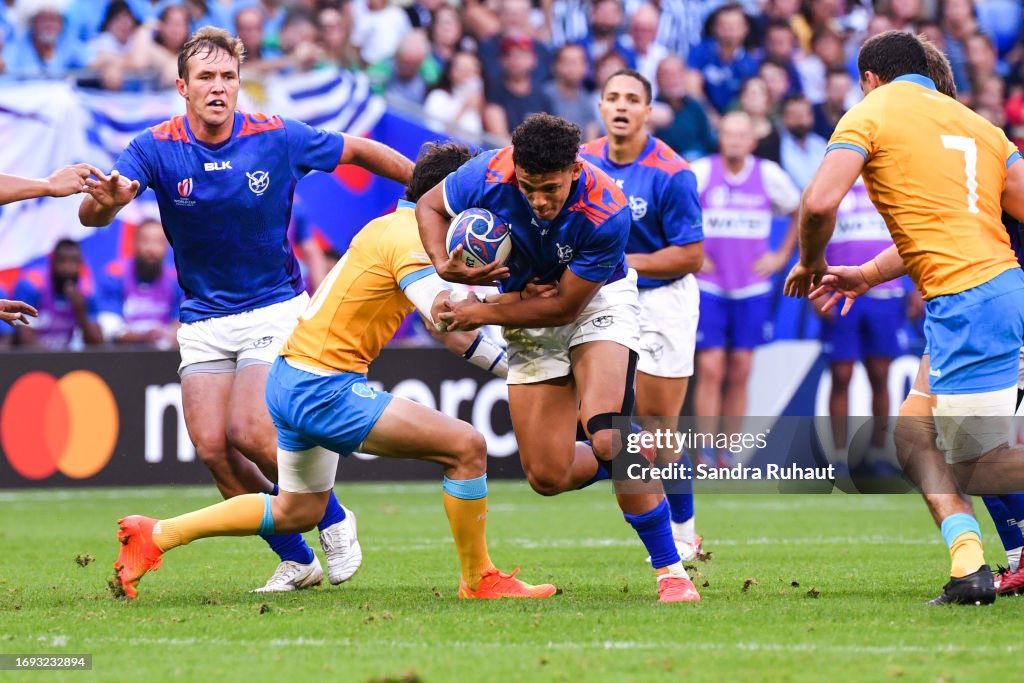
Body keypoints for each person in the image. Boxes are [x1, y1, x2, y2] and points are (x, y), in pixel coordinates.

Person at [112, 141, 553, 601]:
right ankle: (480, 579)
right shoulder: (411, 238)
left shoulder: (390, 226)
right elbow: (446, 321)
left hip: (292, 377)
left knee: (296, 511)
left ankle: (157, 534)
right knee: (468, 446)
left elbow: (443, 318)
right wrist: (520, 365)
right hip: (322, 386)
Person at [81, 26, 414, 592]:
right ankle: (298, 559)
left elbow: (357, 150)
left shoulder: (277, 136)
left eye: (229, 77)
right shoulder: (154, 146)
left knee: (253, 432)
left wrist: (428, 190)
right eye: (206, 78)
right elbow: (96, 211)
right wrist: (104, 205)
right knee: (215, 450)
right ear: (182, 87)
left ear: (241, 84)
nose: (219, 87)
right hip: (204, 317)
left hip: (274, 309)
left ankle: (333, 519)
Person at [416, 113, 700, 603]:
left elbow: (566, 304)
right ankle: (636, 454)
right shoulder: (486, 172)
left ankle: (672, 572)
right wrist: (445, 267)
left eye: (550, 188)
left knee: (606, 431)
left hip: (597, 305)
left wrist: (481, 311)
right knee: (548, 476)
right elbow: (427, 206)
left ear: (575, 168)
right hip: (524, 308)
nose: (540, 200)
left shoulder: (606, 208)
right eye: (529, 188)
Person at [784, 30, 1024, 605]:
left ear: (869, 77)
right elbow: (969, 217)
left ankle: (992, 563)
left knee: (974, 461)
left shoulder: (871, 113)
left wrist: (812, 261)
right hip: (986, 294)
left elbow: (819, 202)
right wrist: (865, 274)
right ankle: (970, 566)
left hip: (970, 300)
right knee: (914, 436)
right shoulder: (978, 126)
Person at [581, 69, 705, 560]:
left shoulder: (672, 172)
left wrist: (621, 262)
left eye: (632, 99)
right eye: (612, 97)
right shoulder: (581, 161)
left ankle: (684, 529)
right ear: (601, 105)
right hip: (605, 297)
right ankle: (645, 500)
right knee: (610, 419)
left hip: (662, 298)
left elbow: (691, 254)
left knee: (658, 423)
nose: (621, 106)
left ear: (648, 112)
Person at [691, 111, 800, 467]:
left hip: (752, 289)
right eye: (728, 134)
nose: (735, 140)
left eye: (741, 135)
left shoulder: (768, 175)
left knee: (740, 370)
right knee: (709, 369)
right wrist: (692, 253)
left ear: (752, 141)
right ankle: (704, 453)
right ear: (719, 137)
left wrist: (781, 255)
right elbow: (674, 209)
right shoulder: (701, 171)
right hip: (709, 287)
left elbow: (802, 210)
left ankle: (729, 453)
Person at [97, 217, 183, 348]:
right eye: (145, 241)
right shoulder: (115, 275)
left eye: (158, 242)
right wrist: (143, 337)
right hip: (122, 357)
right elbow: (109, 329)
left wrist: (170, 335)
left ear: (167, 246)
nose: (151, 248)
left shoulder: (176, 280)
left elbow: (180, 324)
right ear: (134, 243)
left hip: (164, 355)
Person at [13, 239, 103, 350]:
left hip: (66, 358)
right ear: (53, 262)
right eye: (63, 261)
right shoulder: (32, 285)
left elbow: (97, 344)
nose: (68, 268)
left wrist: (81, 311)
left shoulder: (86, 292)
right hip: (35, 360)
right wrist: (55, 359)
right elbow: (25, 339)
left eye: (74, 262)